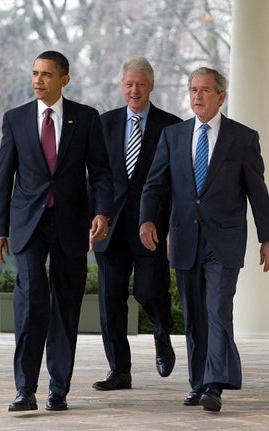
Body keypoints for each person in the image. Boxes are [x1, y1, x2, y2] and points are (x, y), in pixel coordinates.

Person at [139, 67, 269, 413]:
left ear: (221, 96)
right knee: (194, 316)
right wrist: (146, 220)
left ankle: (215, 384)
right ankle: (198, 381)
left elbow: (257, 192)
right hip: (185, 238)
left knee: (217, 309)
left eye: (204, 90)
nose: (197, 96)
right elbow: (155, 185)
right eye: (192, 90)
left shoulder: (242, 138)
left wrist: (268, 238)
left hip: (224, 241)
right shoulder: (173, 136)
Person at [0, 50, 113, 412]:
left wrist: (102, 214)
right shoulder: (15, 119)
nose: (38, 80)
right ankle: (25, 389)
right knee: (31, 303)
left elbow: (101, 174)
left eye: (45, 74)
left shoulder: (86, 119)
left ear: (64, 80)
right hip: (28, 225)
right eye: (34, 73)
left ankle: (58, 389)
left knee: (67, 306)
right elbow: (3, 177)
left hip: (72, 225)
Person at [90, 56, 182, 391]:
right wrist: (92, 218)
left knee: (148, 291)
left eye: (140, 84)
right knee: (111, 300)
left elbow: (178, 184)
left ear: (151, 86)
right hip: (110, 229)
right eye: (129, 84)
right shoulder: (104, 124)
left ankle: (161, 330)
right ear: (121, 86)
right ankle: (119, 370)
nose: (134, 90)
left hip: (150, 228)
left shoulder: (171, 127)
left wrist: (171, 226)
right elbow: (96, 177)